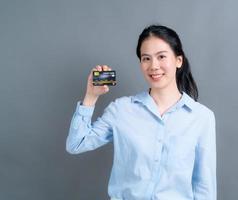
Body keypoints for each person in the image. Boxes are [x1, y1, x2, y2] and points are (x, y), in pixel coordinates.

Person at [66, 25, 216, 200]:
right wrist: (91, 97)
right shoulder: (121, 110)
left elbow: (204, 186)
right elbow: (76, 144)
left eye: (161, 57)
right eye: (146, 58)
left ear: (178, 61)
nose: (154, 66)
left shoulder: (201, 117)